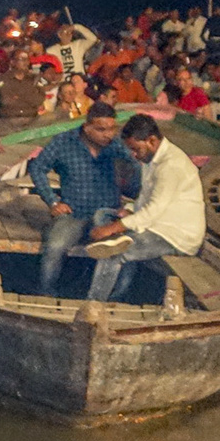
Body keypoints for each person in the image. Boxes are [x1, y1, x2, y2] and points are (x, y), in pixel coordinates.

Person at [76, 113, 207, 302]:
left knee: (113, 253)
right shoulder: (151, 159)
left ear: (152, 141)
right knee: (103, 215)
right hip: (156, 224)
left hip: (175, 236)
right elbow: (145, 199)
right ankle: (120, 292)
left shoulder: (171, 166)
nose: (134, 155)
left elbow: (152, 212)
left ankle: (94, 304)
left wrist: (114, 228)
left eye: (136, 149)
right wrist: (129, 209)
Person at [27, 103, 131, 296]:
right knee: (55, 247)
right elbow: (37, 167)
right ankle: (47, 294)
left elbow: (138, 170)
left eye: (111, 128)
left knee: (126, 249)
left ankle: (116, 299)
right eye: (101, 129)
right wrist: (52, 201)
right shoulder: (64, 142)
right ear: (87, 127)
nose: (108, 134)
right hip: (74, 214)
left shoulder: (118, 146)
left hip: (108, 216)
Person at [0, 49, 51, 119]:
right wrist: (30, 96)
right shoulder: (4, 79)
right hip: (11, 118)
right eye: (22, 59)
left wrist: (18, 97)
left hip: (33, 117)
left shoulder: (34, 78)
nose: (26, 62)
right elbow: (6, 101)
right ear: (12, 62)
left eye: (27, 60)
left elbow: (40, 99)